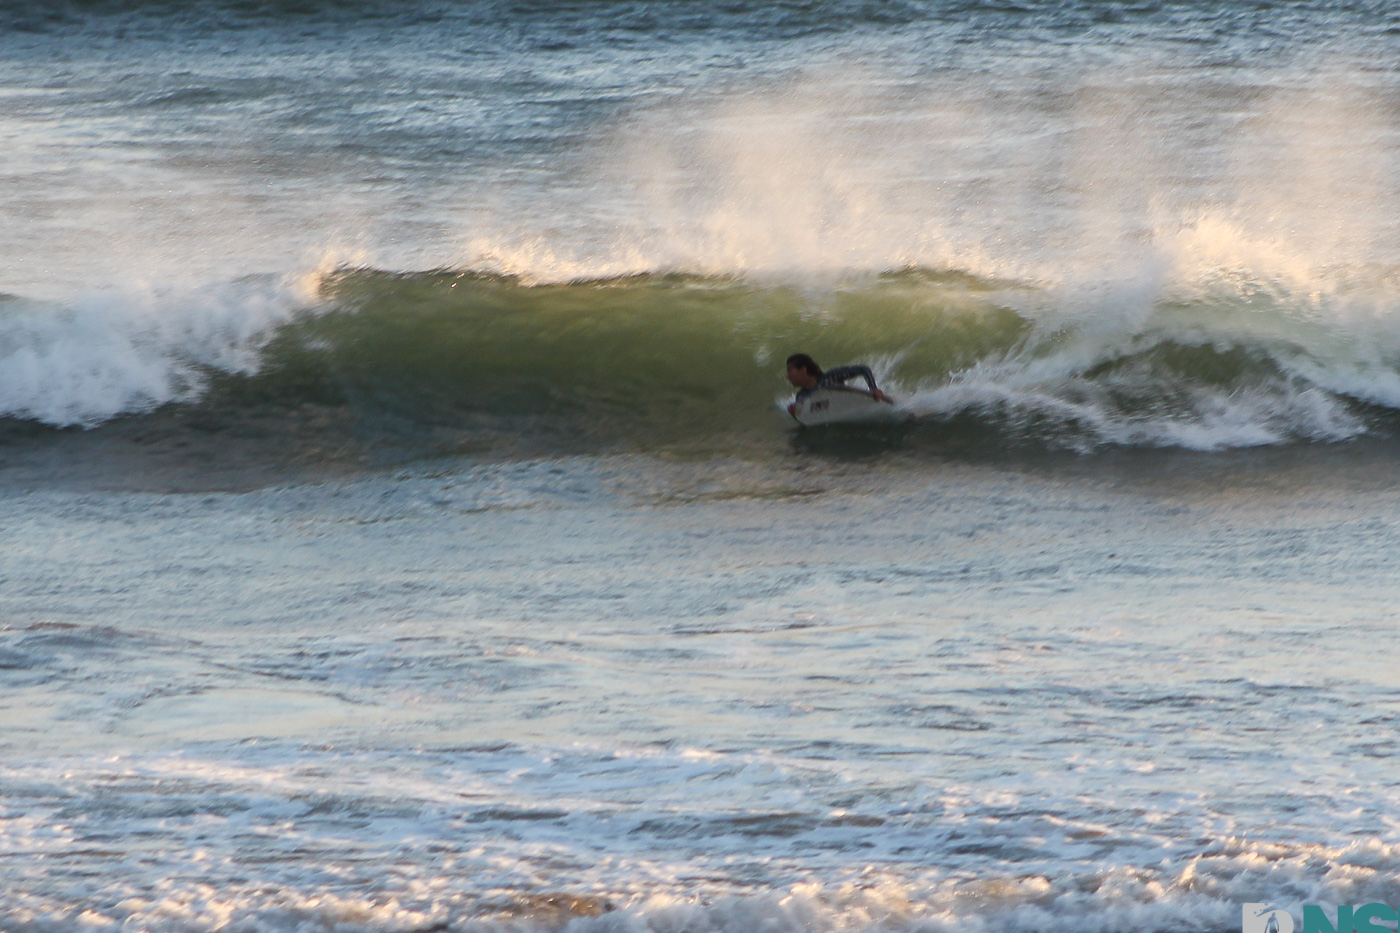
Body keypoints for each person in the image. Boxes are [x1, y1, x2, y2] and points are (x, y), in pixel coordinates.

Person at [785, 353, 887, 416]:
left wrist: (874, 389)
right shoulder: (801, 396)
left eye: (790, 371)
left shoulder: (830, 377)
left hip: (860, 408)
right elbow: (808, 416)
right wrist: (795, 413)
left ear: (803, 370)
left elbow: (864, 369)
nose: (787, 376)